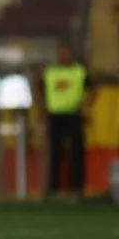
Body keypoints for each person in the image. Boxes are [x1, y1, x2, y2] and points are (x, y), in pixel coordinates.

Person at [40, 43, 94, 198]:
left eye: (66, 53)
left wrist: (85, 107)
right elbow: (41, 91)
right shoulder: (50, 72)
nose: (64, 56)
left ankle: (78, 188)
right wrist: (42, 111)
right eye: (61, 53)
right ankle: (54, 188)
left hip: (74, 115)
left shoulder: (79, 71)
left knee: (77, 153)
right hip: (55, 115)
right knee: (56, 153)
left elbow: (92, 90)